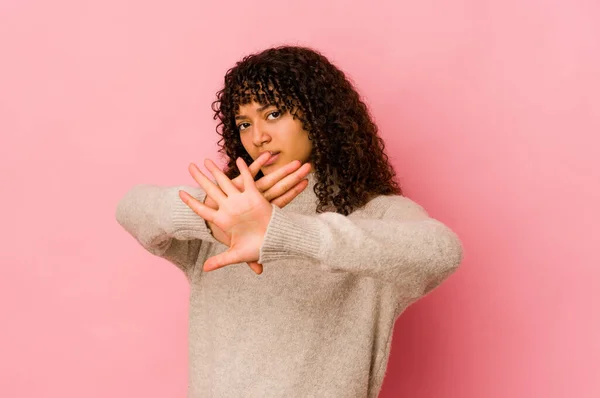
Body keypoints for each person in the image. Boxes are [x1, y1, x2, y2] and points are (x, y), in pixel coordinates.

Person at [115, 45, 463, 397]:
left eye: (274, 113)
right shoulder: (227, 210)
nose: (257, 137)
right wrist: (207, 219)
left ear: (319, 114)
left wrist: (287, 234)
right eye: (244, 124)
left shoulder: (374, 213)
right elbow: (130, 207)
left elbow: (442, 251)